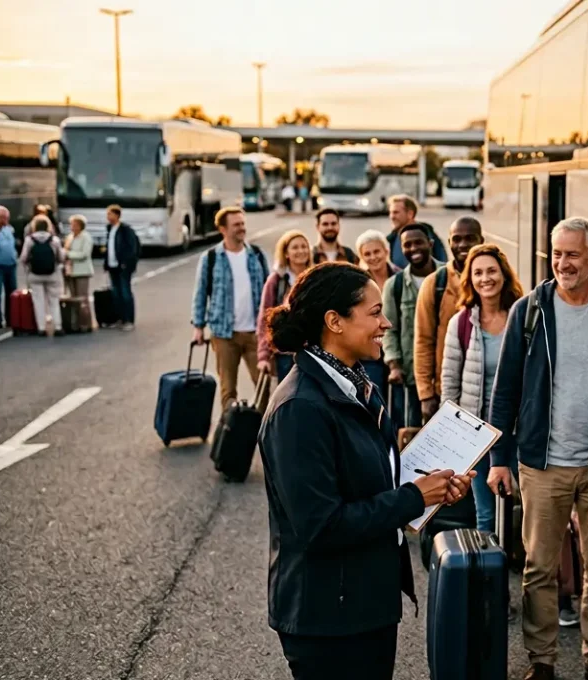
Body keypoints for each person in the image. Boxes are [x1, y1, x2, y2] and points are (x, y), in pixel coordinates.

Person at [259, 261, 475, 680]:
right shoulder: (300, 409)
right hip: (329, 620)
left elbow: (368, 484)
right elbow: (321, 525)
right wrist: (414, 497)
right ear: (334, 322)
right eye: (375, 313)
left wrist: (432, 487)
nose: (387, 323)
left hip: (362, 603)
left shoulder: (353, 383)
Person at [487, 217, 588, 680]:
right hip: (542, 465)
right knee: (539, 569)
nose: (563, 263)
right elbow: (506, 392)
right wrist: (500, 460)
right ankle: (542, 663)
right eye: (557, 254)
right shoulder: (529, 310)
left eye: (573, 254)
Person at [441, 243, 524, 531]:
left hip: (519, 430)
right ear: (470, 279)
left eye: (491, 271)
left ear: (504, 275)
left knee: (528, 508)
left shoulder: (523, 318)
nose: (485, 278)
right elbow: (450, 384)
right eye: (478, 273)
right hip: (477, 435)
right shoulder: (461, 323)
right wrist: (452, 432)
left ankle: (523, 564)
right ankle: (490, 571)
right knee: (485, 513)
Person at [191, 208, 270, 411]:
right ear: (222, 229)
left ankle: (262, 432)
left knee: (263, 387)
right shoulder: (211, 258)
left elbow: (269, 294)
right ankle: (232, 433)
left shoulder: (257, 255)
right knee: (228, 391)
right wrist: (198, 326)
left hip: (255, 334)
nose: (241, 228)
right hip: (225, 335)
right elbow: (200, 294)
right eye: (236, 225)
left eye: (242, 224)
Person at [413, 216, 484, 421]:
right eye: (457, 239)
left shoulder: (495, 281)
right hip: (445, 392)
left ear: (481, 240)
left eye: (470, 238)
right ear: (449, 241)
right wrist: (426, 395)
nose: (462, 244)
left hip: (488, 393)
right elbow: (423, 341)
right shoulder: (435, 284)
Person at [382, 223, 442, 427]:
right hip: (411, 378)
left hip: (448, 376)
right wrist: (394, 365)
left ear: (430, 243)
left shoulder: (447, 277)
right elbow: (389, 330)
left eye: (419, 243)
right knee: (413, 436)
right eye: (408, 245)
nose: (413, 248)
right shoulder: (394, 285)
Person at [258, 230, 313, 381]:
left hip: (313, 352)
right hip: (285, 354)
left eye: (304, 246)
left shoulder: (316, 277)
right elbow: (265, 318)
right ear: (286, 253)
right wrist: (263, 355)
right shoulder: (276, 280)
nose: (301, 251)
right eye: (295, 247)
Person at [356, 229, 401, 391]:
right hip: (370, 353)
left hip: (398, 352)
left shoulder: (400, 278)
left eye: (377, 251)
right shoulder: (357, 284)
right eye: (367, 254)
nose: (373, 257)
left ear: (386, 251)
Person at [20, 215, 65, 337]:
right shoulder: (54, 240)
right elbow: (61, 258)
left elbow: (23, 258)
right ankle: (58, 327)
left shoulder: (29, 240)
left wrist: (28, 267)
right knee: (54, 301)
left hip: (35, 275)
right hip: (52, 274)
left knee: (38, 301)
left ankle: (41, 328)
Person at [104, 205, 141, 331]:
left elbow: (132, 248)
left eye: (110, 214)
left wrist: (127, 262)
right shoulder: (110, 229)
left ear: (117, 215)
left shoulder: (125, 230)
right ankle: (119, 318)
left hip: (123, 266)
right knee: (116, 293)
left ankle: (129, 320)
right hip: (112, 265)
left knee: (125, 292)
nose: (108, 217)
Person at [386, 194, 447, 267]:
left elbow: (443, 265)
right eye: (390, 212)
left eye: (396, 212)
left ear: (410, 214)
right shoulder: (393, 238)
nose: (391, 217)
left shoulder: (428, 236)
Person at [63, 215, 95, 302]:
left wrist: (68, 254)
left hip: (82, 271)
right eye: (71, 224)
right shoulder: (70, 237)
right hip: (70, 271)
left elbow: (85, 254)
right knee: (73, 297)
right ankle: (75, 315)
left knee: (82, 297)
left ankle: (83, 315)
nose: (72, 227)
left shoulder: (86, 237)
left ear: (80, 225)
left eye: (74, 225)